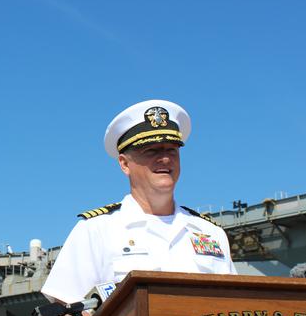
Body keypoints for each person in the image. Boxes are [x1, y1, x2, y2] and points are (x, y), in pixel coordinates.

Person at [41, 99, 237, 305]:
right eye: (152, 151)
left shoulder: (211, 233)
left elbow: (238, 306)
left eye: (172, 150)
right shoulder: (96, 230)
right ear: (125, 164)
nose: (165, 159)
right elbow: (64, 310)